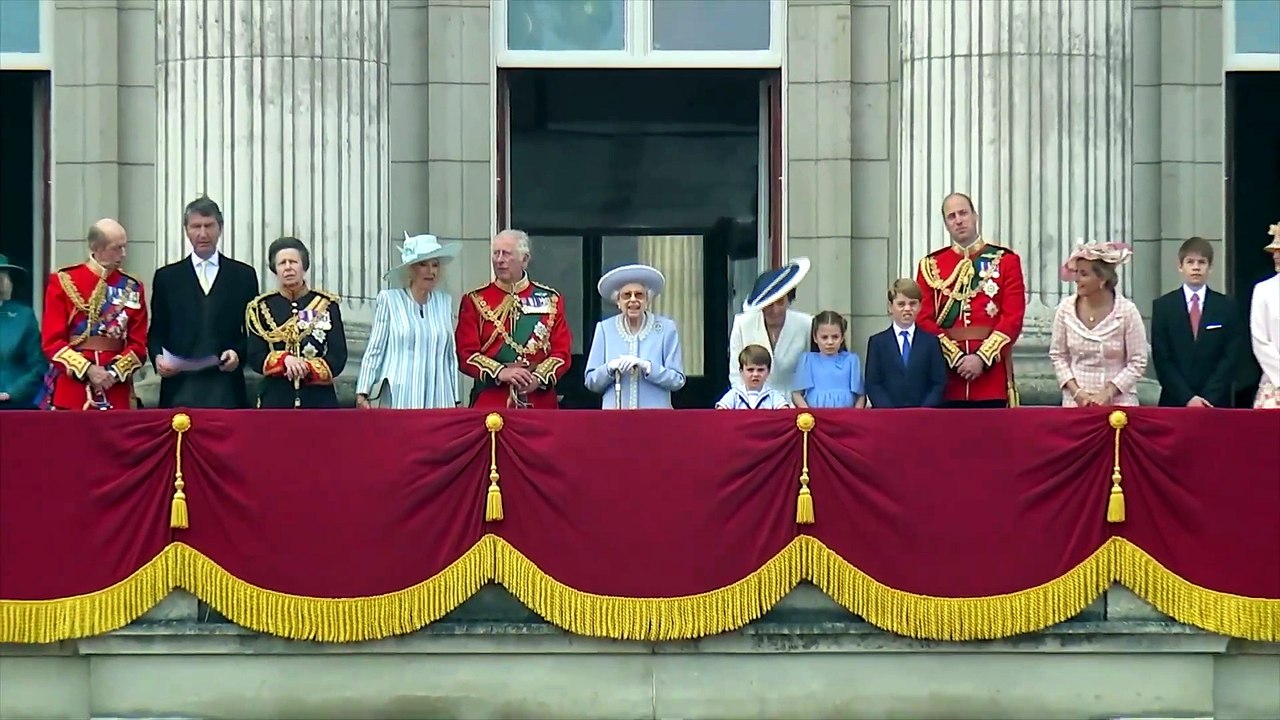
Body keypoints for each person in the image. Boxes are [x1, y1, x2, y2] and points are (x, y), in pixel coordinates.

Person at [148, 197, 261, 409]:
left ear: (220, 228)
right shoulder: (167, 277)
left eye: (209, 226)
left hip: (225, 384)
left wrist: (238, 354)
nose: (202, 234)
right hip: (179, 386)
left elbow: (253, 331)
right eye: (196, 226)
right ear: (186, 230)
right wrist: (157, 358)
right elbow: (157, 331)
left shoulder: (243, 275)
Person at [916, 193, 1026, 407]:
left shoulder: (1005, 261)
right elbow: (923, 318)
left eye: (963, 213)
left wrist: (982, 358)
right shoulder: (931, 266)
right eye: (951, 216)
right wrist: (956, 358)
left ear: (975, 216)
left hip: (991, 378)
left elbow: (1013, 316)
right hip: (947, 379)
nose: (958, 220)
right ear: (946, 224)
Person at [37, 219, 148, 411]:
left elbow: (138, 345)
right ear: (97, 247)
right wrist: (88, 370)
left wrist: (111, 373)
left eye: (124, 247)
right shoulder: (64, 281)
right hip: (73, 390)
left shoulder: (132, 287)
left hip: (115, 389)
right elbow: (52, 343)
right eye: (117, 248)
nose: (124, 254)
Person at [455, 229, 572, 409]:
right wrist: (501, 372)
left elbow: (562, 353)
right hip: (491, 399)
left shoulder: (550, 299)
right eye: (496, 253)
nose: (499, 260)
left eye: (507, 254)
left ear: (524, 260)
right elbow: (466, 354)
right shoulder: (475, 300)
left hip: (539, 399)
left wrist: (538, 378)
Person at [356, 232, 461, 409]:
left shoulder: (444, 302)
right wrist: (362, 392)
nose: (431, 271)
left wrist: (456, 397)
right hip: (400, 396)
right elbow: (375, 349)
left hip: (440, 396)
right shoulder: (390, 300)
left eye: (435, 265)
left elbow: (450, 355)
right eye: (423, 264)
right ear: (410, 269)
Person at [245, 237, 347, 409]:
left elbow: (338, 355)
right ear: (275, 270)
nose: (288, 268)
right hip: (276, 400)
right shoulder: (261, 307)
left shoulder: (326, 305)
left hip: (318, 400)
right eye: (282, 263)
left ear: (303, 266)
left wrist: (306, 367)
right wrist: (284, 361)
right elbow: (255, 356)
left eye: (293, 262)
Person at [1049, 242, 1148, 407]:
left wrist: (1108, 393)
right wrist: (1077, 393)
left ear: (1102, 279)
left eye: (1084, 274)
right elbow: (1058, 355)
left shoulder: (1127, 311)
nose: (1077, 280)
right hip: (1075, 404)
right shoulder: (1065, 309)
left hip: (1119, 405)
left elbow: (1137, 361)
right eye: (1076, 273)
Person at [1150, 237, 1245, 409]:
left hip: (1216, 403)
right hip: (1175, 402)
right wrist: (1188, 398)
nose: (1196, 267)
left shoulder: (1227, 306)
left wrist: (1208, 397)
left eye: (1202, 262)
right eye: (1190, 262)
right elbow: (1162, 359)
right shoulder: (1163, 307)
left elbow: (1230, 357)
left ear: (1210, 267)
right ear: (1180, 266)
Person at [583, 263, 686, 409]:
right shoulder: (604, 329)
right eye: (626, 295)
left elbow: (678, 380)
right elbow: (591, 381)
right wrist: (609, 368)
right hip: (615, 421)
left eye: (639, 295)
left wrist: (648, 367)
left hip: (655, 420)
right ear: (618, 301)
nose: (633, 300)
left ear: (647, 300)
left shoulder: (666, 329)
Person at [728, 258, 813, 396]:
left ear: (789, 300)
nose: (775, 310)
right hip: (753, 404)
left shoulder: (806, 324)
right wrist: (746, 404)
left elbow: (812, 370)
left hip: (793, 406)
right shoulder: (742, 324)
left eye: (780, 302)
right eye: (769, 304)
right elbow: (735, 374)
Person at [864, 278, 947, 409]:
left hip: (923, 417)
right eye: (901, 304)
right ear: (890, 307)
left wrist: (923, 410)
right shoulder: (877, 343)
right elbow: (873, 384)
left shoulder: (931, 342)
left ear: (920, 306)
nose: (907, 309)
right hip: (888, 417)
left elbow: (938, 382)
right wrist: (891, 412)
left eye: (912, 304)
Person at [0, 255, 48, 409]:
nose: (3, 280)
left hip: (13, 405)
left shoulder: (23, 316)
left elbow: (39, 364)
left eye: (5, 275)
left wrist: (12, 393)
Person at [791, 311, 865, 409]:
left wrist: (855, 416)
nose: (830, 342)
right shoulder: (808, 360)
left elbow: (860, 395)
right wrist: (808, 413)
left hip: (846, 417)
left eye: (835, 337)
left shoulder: (851, 361)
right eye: (824, 337)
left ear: (842, 337)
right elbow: (797, 394)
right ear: (815, 338)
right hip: (816, 417)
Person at [1249, 223, 1280, 409]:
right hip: (1274, 381)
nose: (1276, 255)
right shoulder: (1263, 290)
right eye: (1274, 251)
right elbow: (1260, 340)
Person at [716, 344, 792, 410]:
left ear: (768, 371)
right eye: (750, 370)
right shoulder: (734, 395)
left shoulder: (774, 396)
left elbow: (784, 413)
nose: (755, 374)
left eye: (760, 370)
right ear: (741, 371)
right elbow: (720, 413)